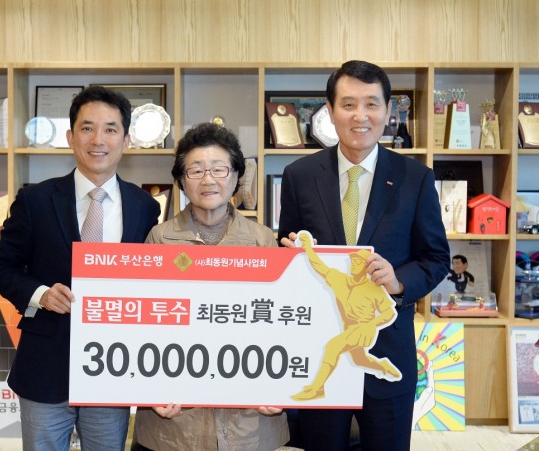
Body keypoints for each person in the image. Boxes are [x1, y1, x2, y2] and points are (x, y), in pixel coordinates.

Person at [278, 60, 450, 451]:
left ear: (388, 111)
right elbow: (285, 245)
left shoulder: (415, 178)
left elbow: (436, 257)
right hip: (320, 343)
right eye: (349, 104)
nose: (361, 116)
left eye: (372, 104)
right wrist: (292, 258)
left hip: (388, 345)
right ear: (330, 110)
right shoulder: (299, 175)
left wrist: (399, 281)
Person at [0, 85, 161, 451]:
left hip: (111, 368)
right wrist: (40, 295)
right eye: (87, 128)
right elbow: (2, 267)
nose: (98, 139)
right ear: (70, 137)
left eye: (110, 129)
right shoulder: (35, 199)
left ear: (126, 140)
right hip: (45, 365)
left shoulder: (145, 207)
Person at [133, 122, 289, 451]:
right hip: (175, 419)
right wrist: (151, 388)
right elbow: (142, 324)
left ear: (236, 175)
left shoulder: (261, 240)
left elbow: (280, 326)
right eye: (196, 170)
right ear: (181, 179)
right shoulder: (159, 238)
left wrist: (281, 386)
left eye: (219, 169)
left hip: (248, 415)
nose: (208, 180)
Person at [291, 238, 400, 402]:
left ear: (367, 266)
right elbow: (319, 266)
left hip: (363, 329)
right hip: (348, 328)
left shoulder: (373, 288)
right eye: (353, 261)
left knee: (332, 347)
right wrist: (308, 249)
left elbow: (389, 313)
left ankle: (317, 388)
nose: (354, 264)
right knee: (359, 359)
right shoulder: (339, 280)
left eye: (359, 262)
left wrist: (371, 325)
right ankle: (383, 366)